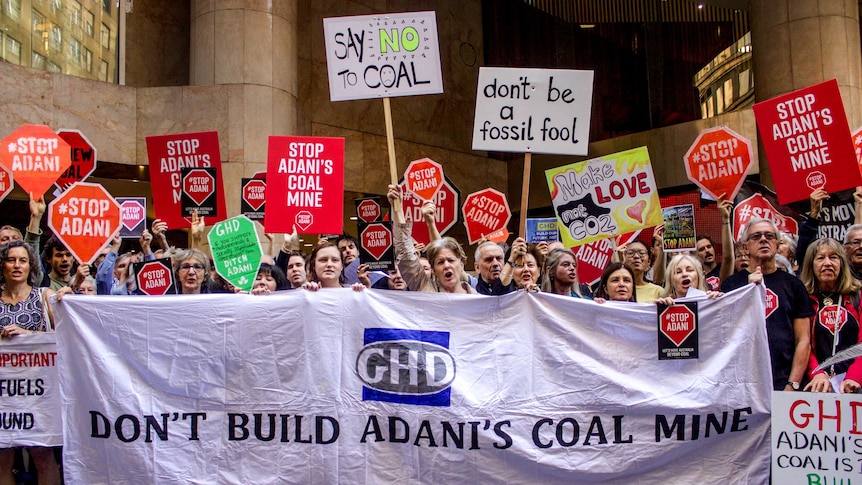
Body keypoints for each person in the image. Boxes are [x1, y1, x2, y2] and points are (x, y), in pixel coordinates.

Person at [0, 240, 70, 485]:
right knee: (3, 457)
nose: (17, 265)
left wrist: (30, 337)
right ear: (3, 266)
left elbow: (68, 336)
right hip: (4, 393)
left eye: (23, 260)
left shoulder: (45, 297)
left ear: (31, 266)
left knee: (42, 454)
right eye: (11, 260)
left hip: (40, 391)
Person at [721, 218, 814, 392]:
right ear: (745, 248)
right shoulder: (731, 286)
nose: (763, 239)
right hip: (743, 386)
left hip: (783, 383)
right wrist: (749, 291)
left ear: (778, 245)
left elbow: (803, 340)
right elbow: (726, 336)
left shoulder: (794, 285)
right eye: (756, 236)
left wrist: (792, 384)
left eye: (769, 236)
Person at [798, 238, 862, 393]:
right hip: (816, 385)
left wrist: (855, 376)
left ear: (842, 263)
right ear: (810, 264)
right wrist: (817, 373)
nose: (827, 263)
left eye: (833, 257)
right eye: (820, 258)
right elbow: (801, 343)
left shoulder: (857, 297)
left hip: (853, 385)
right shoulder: (802, 298)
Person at [388, 185, 474, 294]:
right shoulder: (427, 290)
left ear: (461, 264)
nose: (446, 265)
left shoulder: (477, 297)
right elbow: (405, 254)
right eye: (440, 262)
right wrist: (398, 209)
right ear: (433, 270)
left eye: (451, 260)